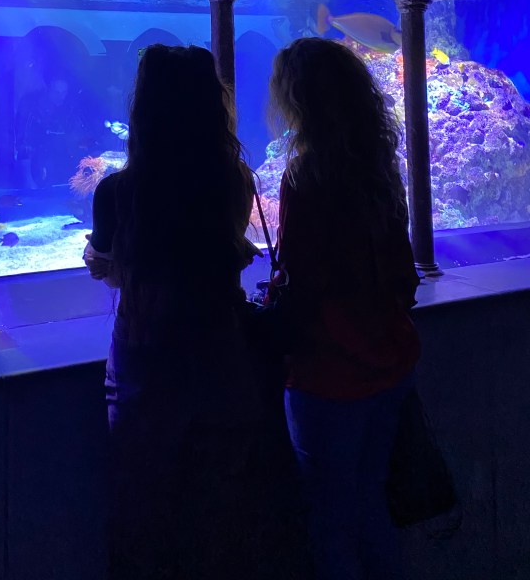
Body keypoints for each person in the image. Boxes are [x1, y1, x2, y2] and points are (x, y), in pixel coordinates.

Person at [83, 44, 267, 580]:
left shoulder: (118, 191)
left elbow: (114, 273)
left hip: (147, 359)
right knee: (220, 518)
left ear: (144, 108)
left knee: (142, 517)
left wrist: (101, 259)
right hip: (221, 353)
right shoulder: (235, 181)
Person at [268, 38, 421, 580]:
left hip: (328, 374)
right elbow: (403, 273)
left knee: (331, 521)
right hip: (391, 362)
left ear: (299, 100)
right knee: (371, 501)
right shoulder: (378, 169)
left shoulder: (304, 178)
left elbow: (303, 278)